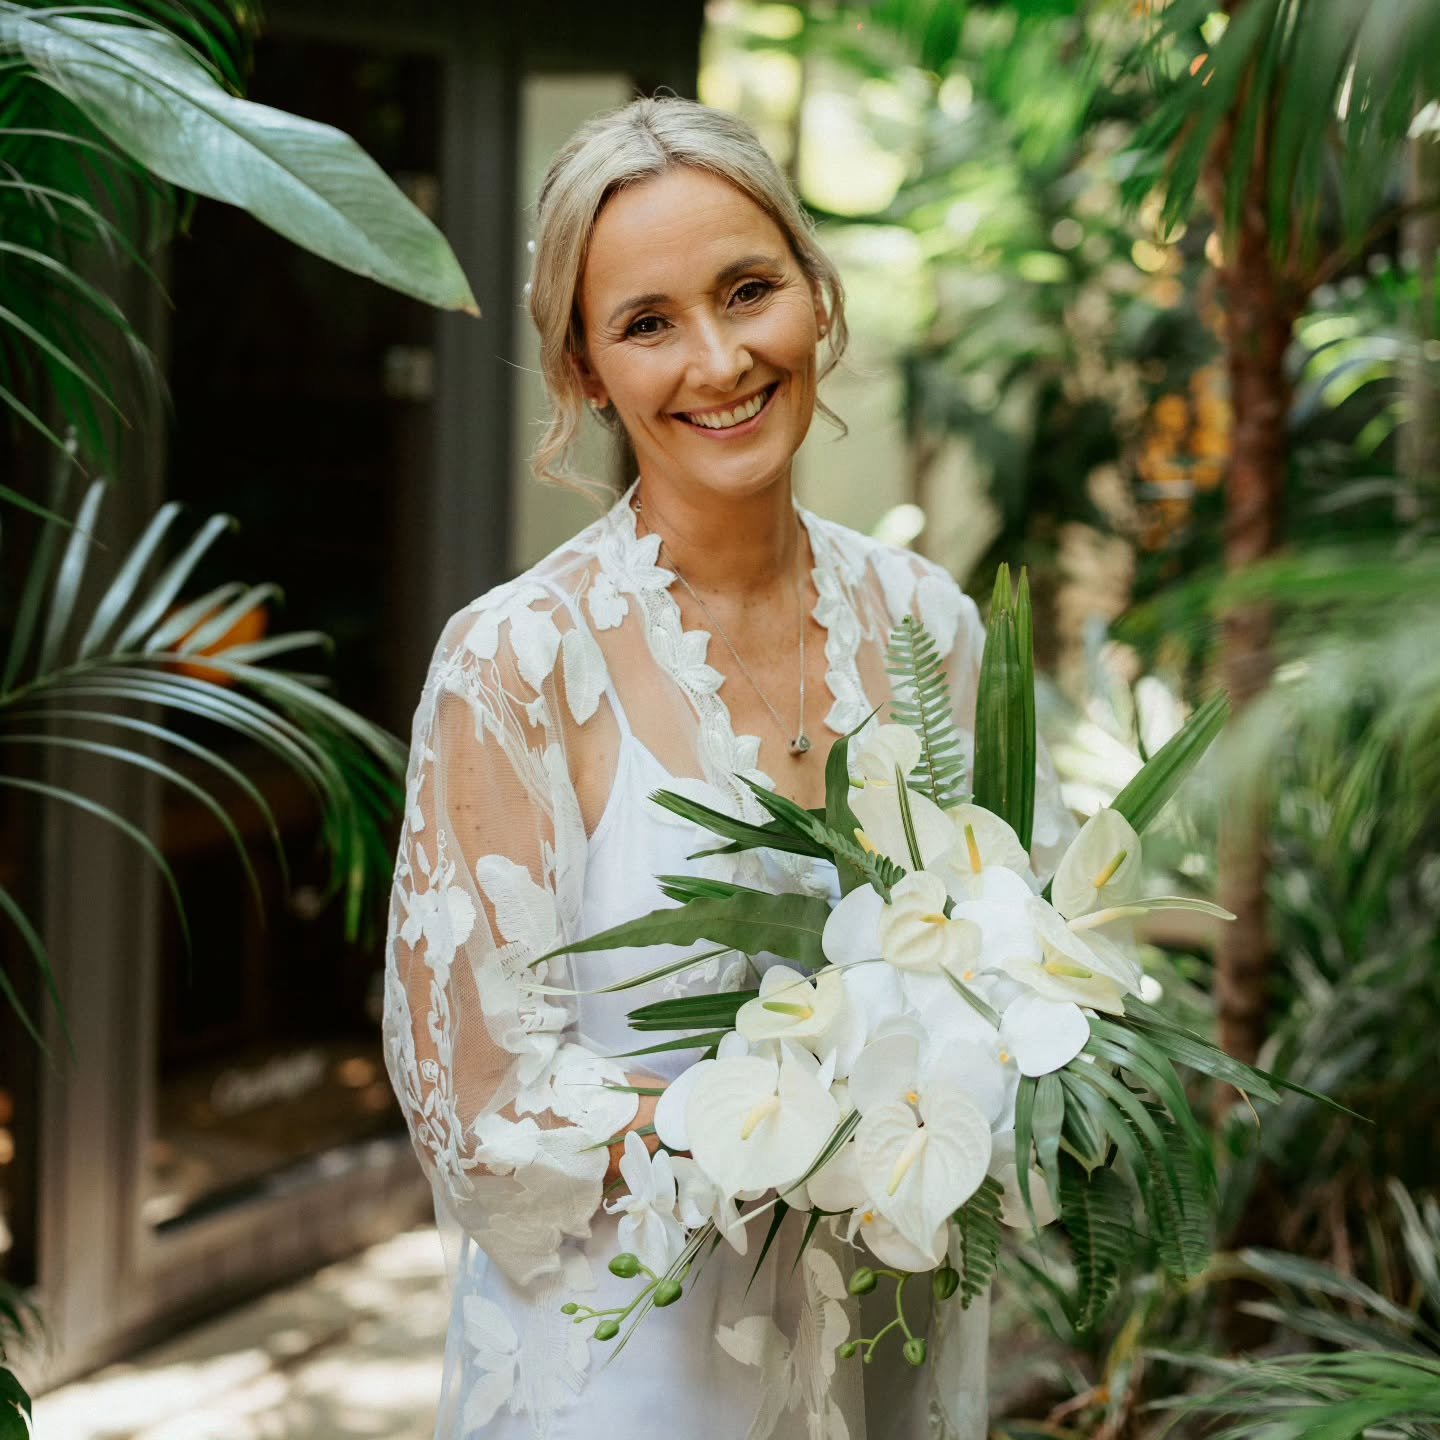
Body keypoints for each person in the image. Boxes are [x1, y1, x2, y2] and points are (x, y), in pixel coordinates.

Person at [383, 95, 1071, 1440]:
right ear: (584, 373)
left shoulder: (935, 627)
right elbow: (484, 1107)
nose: (718, 359)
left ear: (815, 297)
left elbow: (1020, 951)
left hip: (895, 1340)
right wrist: (791, 1115)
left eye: (748, 290)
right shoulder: (514, 665)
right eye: (647, 322)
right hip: (639, 1376)